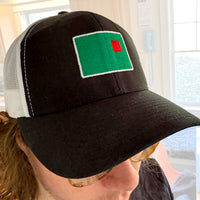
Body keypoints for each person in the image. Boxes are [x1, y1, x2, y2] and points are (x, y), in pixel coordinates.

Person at [0, 11, 199, 200]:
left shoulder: (153, 183)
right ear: (24, 143)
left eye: (137, 143)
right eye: (91, 153)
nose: (131, 180)